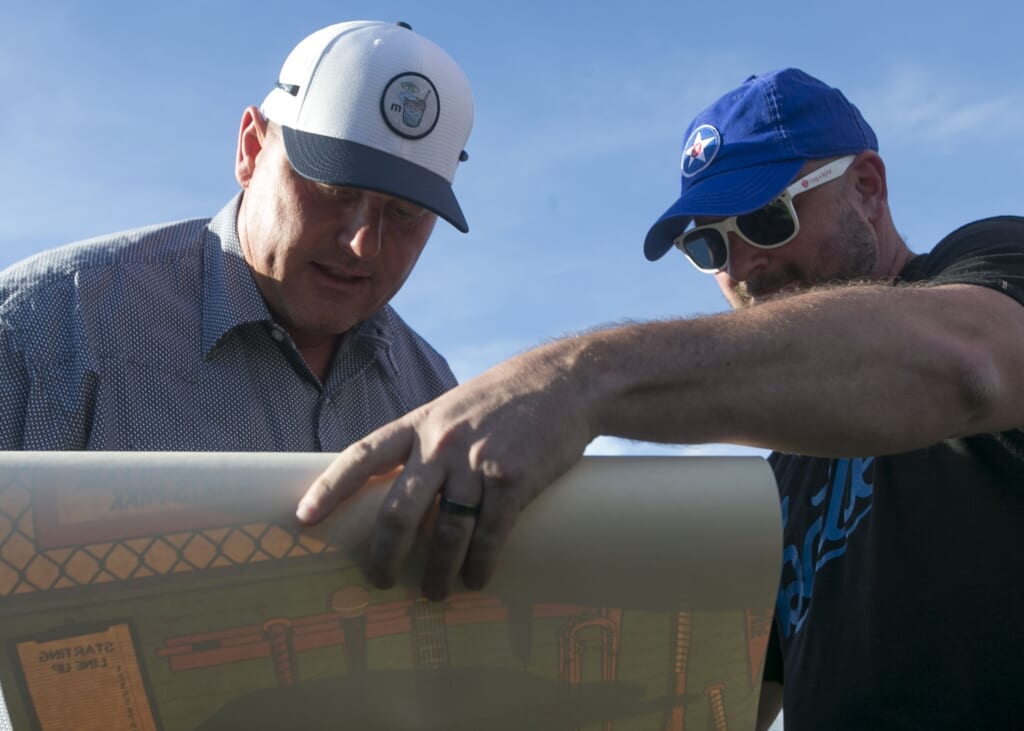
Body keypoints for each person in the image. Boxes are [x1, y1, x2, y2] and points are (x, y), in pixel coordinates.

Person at [296, 68, 1024, 729]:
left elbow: (970, 366)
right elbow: (726, 695)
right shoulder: (787, 470)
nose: (744, 266)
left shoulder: (992, 266)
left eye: (770, 219)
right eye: (709, 246)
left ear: (867, 187)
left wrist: (579, 378)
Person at [0, 20, 474, 451]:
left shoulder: (436, 398)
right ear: (251, 148)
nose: (363, 242)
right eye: (334, 189)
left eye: (407, 211)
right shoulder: (48, 328)